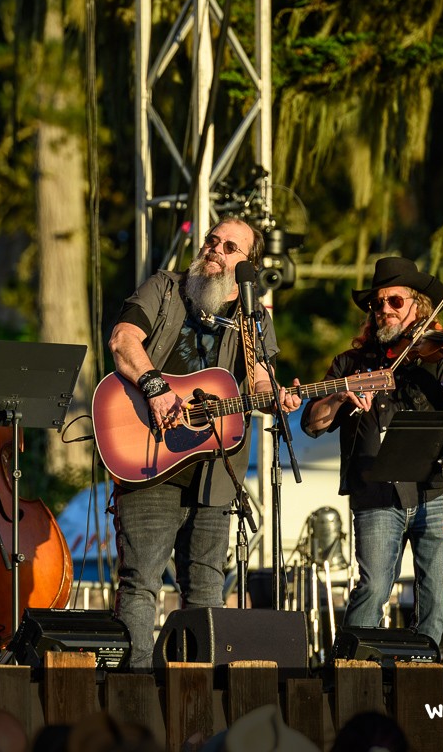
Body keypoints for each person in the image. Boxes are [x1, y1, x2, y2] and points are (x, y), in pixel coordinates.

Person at [107, 218, 301, 670]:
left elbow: (256, 383)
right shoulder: (166, 287)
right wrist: (155, 386)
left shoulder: (253, 318)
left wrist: (280, 397)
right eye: (212, 240)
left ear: (246, 265)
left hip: (216, 471)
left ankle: (196, 704)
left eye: (229, 247)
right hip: (148, 457)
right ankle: (135, 698)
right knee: (140, 583)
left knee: (206, 592)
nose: (215, 249)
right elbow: (122, 341)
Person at [300, 257, 443, 647]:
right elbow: (313, 422)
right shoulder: (351, 363)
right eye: (378, 304)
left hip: (433, 491)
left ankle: (421, 672)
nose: (384, 310)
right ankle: (350, 671)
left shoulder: (435, 357)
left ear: (419, 307)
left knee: (438, 597)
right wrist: (342, 395)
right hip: (376, 493)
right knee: (374, 588)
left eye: (395, 302)